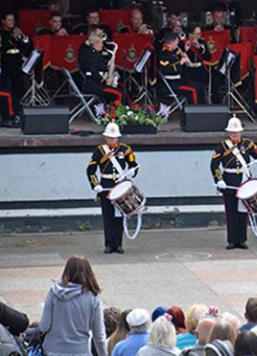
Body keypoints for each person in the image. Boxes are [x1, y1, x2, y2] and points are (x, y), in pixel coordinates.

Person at [211, 116, 257, 249]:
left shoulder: (248, 144)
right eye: (232, 132)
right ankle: (231, 240)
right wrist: (219, 180)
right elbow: (214, 164)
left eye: (237, 132)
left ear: (241, 132)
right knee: (230, 211)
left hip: (244, 180)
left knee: (243, 212)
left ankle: (242, 239)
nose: (235, 134)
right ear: (228, 133)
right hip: (229, 180)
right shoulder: (222, 146)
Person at [87, 122, 139, 254]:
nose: (111, 140)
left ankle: (118, 244)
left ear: (118, 138)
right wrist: (95, 184)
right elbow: (90, 170)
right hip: (105, 185)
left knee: (119, 216)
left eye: (113, 137)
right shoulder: (99, 151)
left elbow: (134, 164)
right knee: (107, 216)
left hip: (120, 186)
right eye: (109, 137)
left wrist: (133, 171)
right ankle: (109, 244)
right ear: (105, 138)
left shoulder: (125, 149)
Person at [39, 256, 107, 356]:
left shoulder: (54, 293)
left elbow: (44, 326)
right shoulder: (93, 298)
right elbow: (99, 336)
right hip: (80, 351)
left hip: (52, 349)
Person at [0, 12, 32, 125]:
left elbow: (28, 44)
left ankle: (18, 110)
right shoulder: (2, 33)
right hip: (6, 63)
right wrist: (11, 38)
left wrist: (22, 36)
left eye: (12, 20)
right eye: (9, 20)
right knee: (4, 87)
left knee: (18, 85)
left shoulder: (17, 32)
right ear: (3, 21)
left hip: (17, 63)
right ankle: (7, 113)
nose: (11, 23)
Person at [78, 26, 123, 104]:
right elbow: (93, 70)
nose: (102, 39)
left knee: (123, 88)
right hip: (93, 84)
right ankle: (117, 114)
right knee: (119, 94)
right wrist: (107, 80)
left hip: (98, 83)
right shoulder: (87, 51)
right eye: (99, 36)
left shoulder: (95, 51)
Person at [158, 32, 203, 105]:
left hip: (178, 81)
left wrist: (185, 55)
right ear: (172, 42)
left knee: (200, 85)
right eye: (177, 42)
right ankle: (195, 112)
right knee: (195, 89)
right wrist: (181, 62)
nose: (177, 44)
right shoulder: (164, 53)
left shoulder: (172, 52)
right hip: (171, 84)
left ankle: (202, 109)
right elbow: (166, 69)